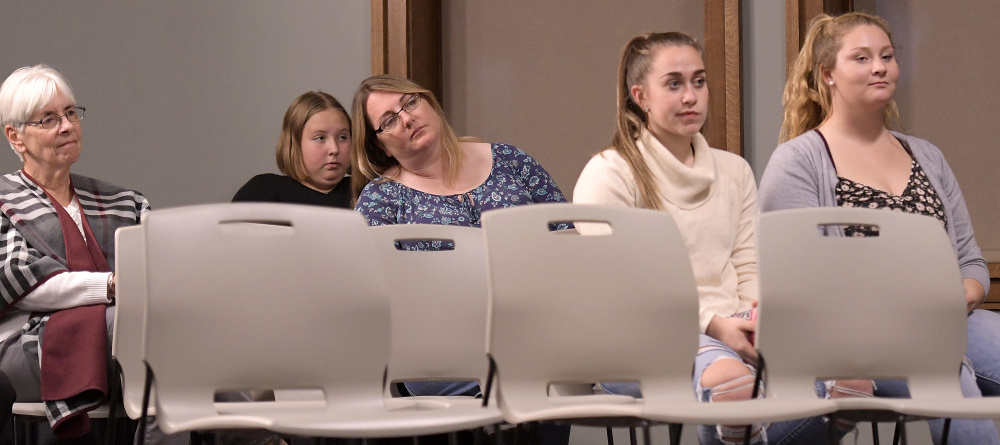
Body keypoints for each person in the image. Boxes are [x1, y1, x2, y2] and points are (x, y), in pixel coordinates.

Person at [758, 12, 1000, 444]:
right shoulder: (797, 162)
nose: (879, 67)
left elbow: (971, 260)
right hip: (854, 337)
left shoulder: (927, 155)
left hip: (945, 320)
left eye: (887, 56)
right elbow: (799, 285)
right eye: (862, 58)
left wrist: (962, 294)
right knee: (945, 372)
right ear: (827, 74)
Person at [351, 74, 569, 445]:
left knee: (554, 361)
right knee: (539, 371)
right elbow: (367, 295)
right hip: (437, 352)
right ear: (381, 146)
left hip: (532, 331)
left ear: (429, 103)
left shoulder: (511, 161)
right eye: (388, 121)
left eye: (410, 103)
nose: (405, 118)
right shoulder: (380, 200)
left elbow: (568, 242)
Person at [0, 65, 148, 441]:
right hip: (29, 347)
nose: (66, 126)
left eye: (70, 113)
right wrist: (113, 286)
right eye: (48, 119)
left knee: (168, 360)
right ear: (16, 137)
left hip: (126, 338)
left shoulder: (124, 201)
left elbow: (162, 266)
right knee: (154, 334)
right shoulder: (4, 202)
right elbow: (22, 283)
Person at [233, 91, 351, 207]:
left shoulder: (364, 192)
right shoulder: (263, 191)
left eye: (342, 137)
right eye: (320, 138)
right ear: (294, 144)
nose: (334, 149)